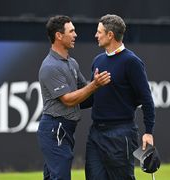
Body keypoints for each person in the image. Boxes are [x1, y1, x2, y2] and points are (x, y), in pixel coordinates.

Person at [37, 15, 111, 180]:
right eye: (71, 31)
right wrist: (95, 85)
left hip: (65, 130)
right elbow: (69, 100)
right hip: (54, 129)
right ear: (58, 35)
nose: (75, 35)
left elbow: (85, 95)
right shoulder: (50, 66)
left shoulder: (72, 63)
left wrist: (115, 94)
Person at [84, 14, 156, 180]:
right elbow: (92, 98)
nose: (96, 35)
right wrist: (66, 99)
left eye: (99, 32)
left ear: (110, 35)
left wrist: (149, 132)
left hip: (120, 134)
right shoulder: (98, 60)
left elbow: (146, 99)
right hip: (95, 133)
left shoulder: (131, 62)